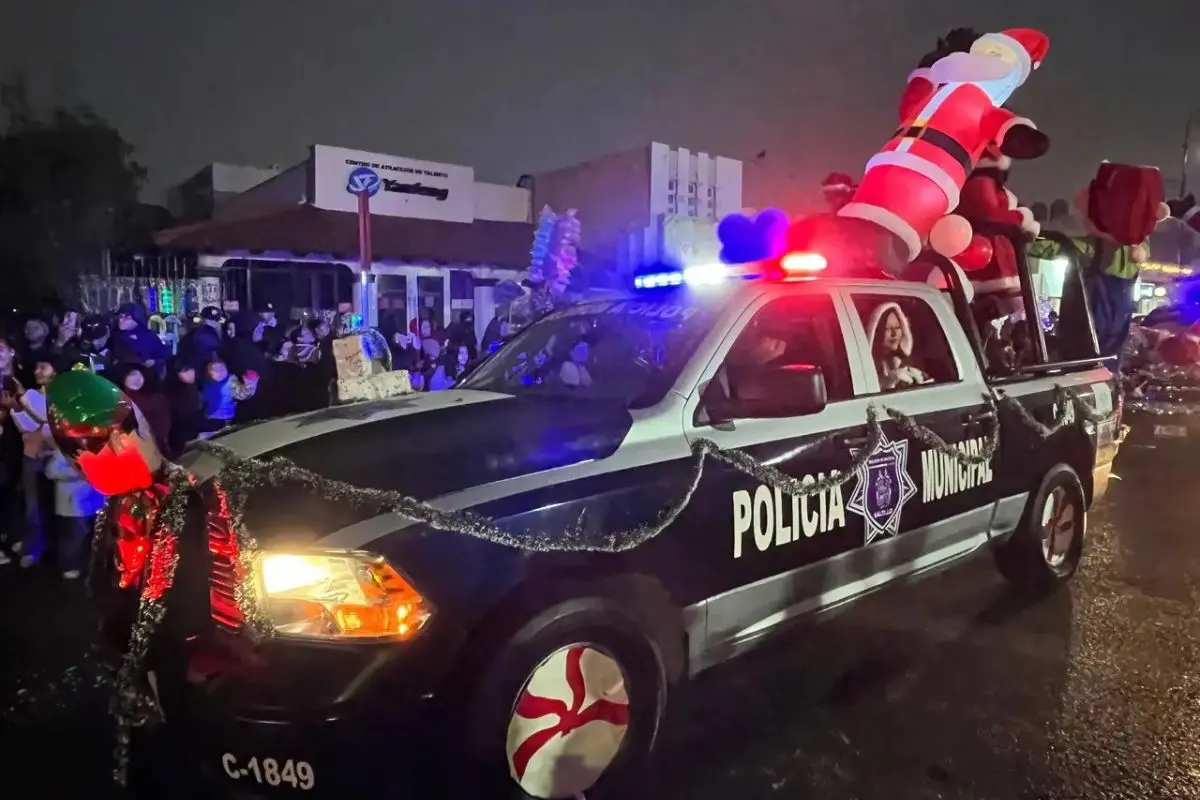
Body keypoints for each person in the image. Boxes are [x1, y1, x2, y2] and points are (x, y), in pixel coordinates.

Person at [43, 441, 104, 580]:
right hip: (73, 502)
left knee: (91, 535)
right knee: (74, 535)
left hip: (94, 501)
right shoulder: (66, 448)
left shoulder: (99, 446)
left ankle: (88, 565)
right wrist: (78, 472)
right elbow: (50, 471)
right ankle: (69, 566)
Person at [865, 302, 931, 390]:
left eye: (897, 327)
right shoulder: (866, 366)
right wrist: (887, 381)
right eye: (887, 329)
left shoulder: (911, 363)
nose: (894, 334)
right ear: (876, 332)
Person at [113, 363, 172, 461]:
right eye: (129, 375)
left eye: (135, 373)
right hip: (147, 446)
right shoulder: (124, 402)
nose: (135, 379)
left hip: (165, 439)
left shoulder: (154, 388)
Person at [111, 302, 171, 374]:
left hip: (146, 376)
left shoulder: (149, 336)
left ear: (136, 318)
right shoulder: (116, 335)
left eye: (126, 317)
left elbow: (164, 355)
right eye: (120, 316)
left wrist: (154, 362)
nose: (121, 320)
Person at [165, 357, 206, 458]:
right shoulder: (171, 393)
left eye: (191, 369)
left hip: (194, 431)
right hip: (181, 437)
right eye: (184, 371)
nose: (190, 373)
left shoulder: (193, 383)